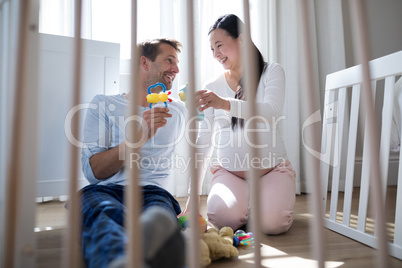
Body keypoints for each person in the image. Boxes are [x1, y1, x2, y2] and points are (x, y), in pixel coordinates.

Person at [181, 14, 296, 235]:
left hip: (271, 170)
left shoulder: (271, 71)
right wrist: (192, 196)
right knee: (223, 220)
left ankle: (262, 201)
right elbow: (203, 142)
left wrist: (224, 103)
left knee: (273, 224)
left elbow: (271, 112)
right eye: (212, 49)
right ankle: (247, 203)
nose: (215, 54)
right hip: (230, 172)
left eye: (219, 46)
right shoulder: (212, 85)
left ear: (241, 40)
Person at [79, 38, 187, 268]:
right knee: (103, 214)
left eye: (177, 63)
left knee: (159, 219)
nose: (176, 69)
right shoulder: (103, 104)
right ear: (145, 63)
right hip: (107, 191)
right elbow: (94, 172)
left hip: (154, 193)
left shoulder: (178, 110)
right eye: (169, 61)